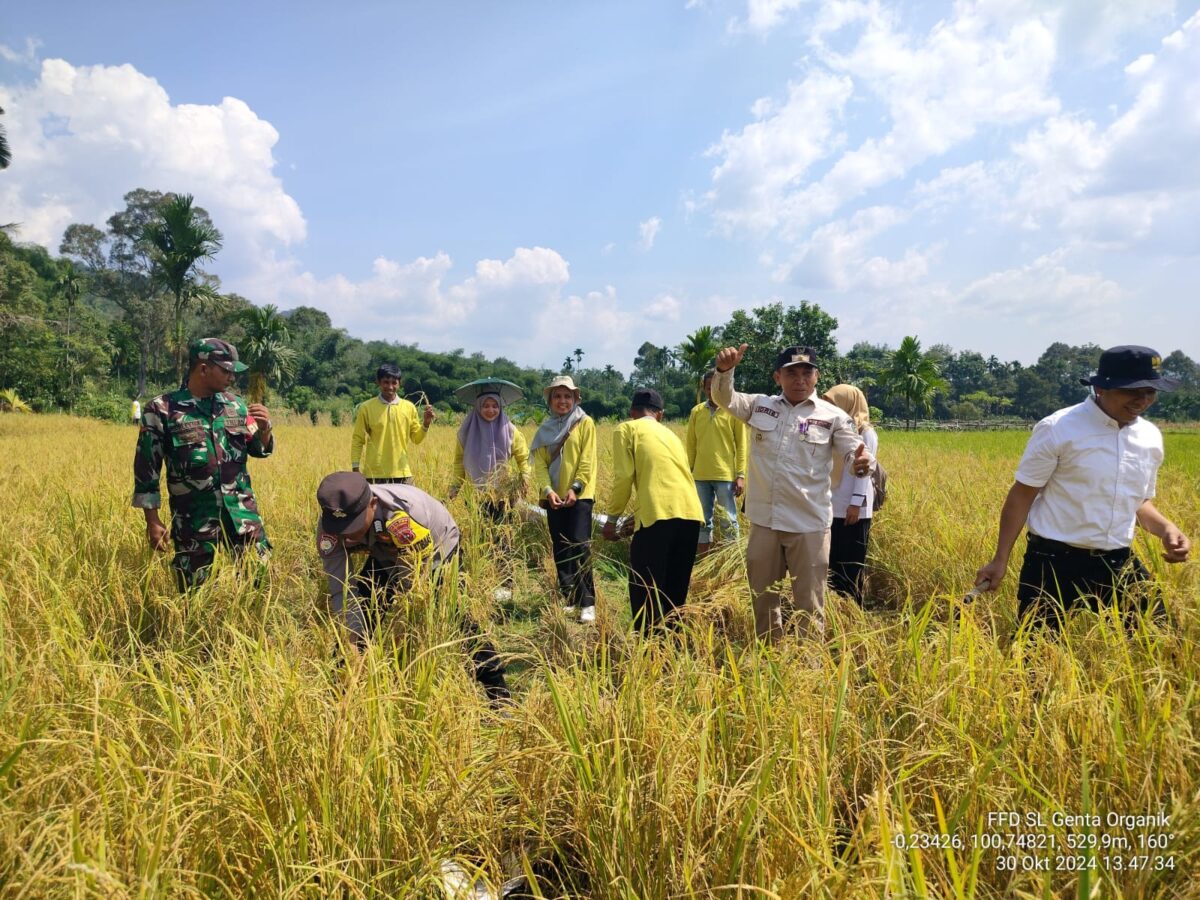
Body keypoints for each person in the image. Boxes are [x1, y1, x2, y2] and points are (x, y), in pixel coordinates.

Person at [974, 345, 1190, 632]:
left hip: (1117, 560)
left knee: (1166, 641)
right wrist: (1000, 559)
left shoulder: (1149, 437)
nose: (1143, 400)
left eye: (1150, 391)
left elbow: (1138, 502)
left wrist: (1166, 529)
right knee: (1036, 658)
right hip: (1053, 564)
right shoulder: (1059, 428)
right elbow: (1022, 495)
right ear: (1101, 388)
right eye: (1133, 391)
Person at [711, 344, 871, 643]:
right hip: (765, 523)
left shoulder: (833, 416)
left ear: (816, 377)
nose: (800, 379)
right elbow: (724, 398)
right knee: (763, 599)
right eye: (791, 373)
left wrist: (862, 464)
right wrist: (725, 371)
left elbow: (853, 451)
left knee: (809, 605)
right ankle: (768, 657)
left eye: (806, 372)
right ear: (777, 377)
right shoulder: (760, 406)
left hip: (808, 525)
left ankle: (808, 667)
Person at [316, 471, 510, 704]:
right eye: (342, 529)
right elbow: (342, 588)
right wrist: (353, 640)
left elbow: (413, 588)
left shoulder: (403, 517)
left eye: (354, 526)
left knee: (453, 616)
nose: (348, 536)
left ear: (373, 504)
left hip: (436, 547)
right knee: (357, 624)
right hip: (383, 552)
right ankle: (340, 699)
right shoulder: (331, 528)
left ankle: (498, 692)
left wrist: (405, 626)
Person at [132, 337, 274, 590]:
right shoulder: (162, 409)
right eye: (226, 371)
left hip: (241, 514)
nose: (232, 377)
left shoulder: (236, 406)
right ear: (203, 368)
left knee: (258, 580)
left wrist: (265, 430)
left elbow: (258, 449)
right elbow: (147, 470)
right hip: (194, 520)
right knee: (195, 591)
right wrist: (152, 521)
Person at [602, 389, 705, 634]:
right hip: (691, 514)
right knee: (675, 590)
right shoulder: (671, 435)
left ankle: (649, 651)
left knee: (645, 588)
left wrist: (612, 520)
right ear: (659, 415)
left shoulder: (626, 429)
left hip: (659, 516)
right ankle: (673, 648)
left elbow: (624, 477)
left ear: (632, 413)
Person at [531, 375, 598, 623]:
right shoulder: (544, 430)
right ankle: (569, 597)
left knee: (580, 545)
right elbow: (539, 466)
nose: (562, 401)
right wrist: (548, 491)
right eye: (557, 396)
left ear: (575, 399)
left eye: (567, 396)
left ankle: (588, 602)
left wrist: (576, 488)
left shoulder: (585, 423)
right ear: (550, 400)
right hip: (554, 497)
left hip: (580, 496)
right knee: (560, 547)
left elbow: (587, 460)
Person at [822, 384, 877, 605]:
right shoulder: (836, 429)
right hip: (832, 505)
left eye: (833, 403)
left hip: (854, 509)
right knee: (833, 561)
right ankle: (837, 607)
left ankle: (853, 608)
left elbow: (864, 474)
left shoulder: (866, 433)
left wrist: (855, 504)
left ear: (848, 404)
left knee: (851, 563)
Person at [686, 371, 748, 555]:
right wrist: (688, 472)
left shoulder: (733, 412)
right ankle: (703, 561)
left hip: (725, 477)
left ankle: (730, 562)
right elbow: (691, 445)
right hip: (700, 477)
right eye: (707, 387)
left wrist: (741, 475)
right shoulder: (696, 412)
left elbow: (742, 446)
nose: (711, 391)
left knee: (728, 521)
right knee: (702, 521)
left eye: (715, 387)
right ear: (704, 389)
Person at [449, 389, 530, 521]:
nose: (491, 410)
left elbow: (523, 457)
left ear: (500, 407)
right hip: (475, 495)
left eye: (495, 406)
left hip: (503, 494)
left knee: (504, 535)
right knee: (479, 532)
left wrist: (525, 477)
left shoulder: (510, 431)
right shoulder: (466, 433)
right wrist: (455, 486)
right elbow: (459, 462)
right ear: (478, 407)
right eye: (486, 406)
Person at [351, 363, 436, 484]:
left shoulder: (409, 407)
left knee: (410, 503)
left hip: (402, 474)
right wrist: (355, 468)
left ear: (399, 383)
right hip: (374, 475)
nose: (390, 387)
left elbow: (416, 439)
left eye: (394, 383)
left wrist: (426, 423)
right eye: (386, 382)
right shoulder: (366, 408)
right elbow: (357, 439)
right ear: (378, 382)